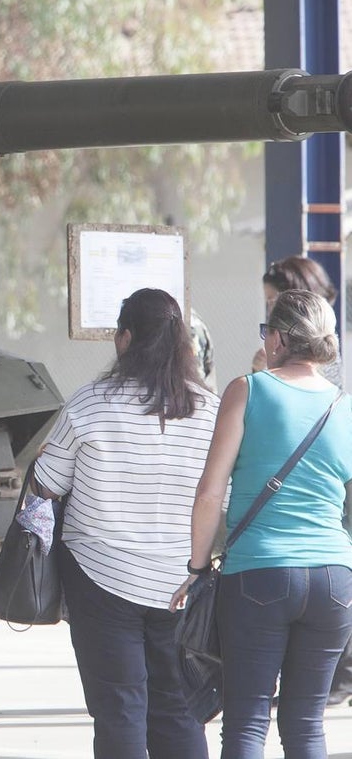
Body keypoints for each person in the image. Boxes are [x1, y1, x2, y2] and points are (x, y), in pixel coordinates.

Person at [32, 289, 218, 759]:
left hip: (101, 578)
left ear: (126, 339)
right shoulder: (210, 411)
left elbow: (46, 484)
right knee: (178, 707)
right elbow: (222, 495)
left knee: (119, 707)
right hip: (181, 580)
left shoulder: (91, 404)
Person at [171, 289, 352, 758]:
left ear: (277, 339)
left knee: (248, 721)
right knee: (307, 726)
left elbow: (211, 492)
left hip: (260, 574)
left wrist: (196, 568)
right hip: (335, 580)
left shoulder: (248, 390)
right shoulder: (344, 406)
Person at [252, 255, 352, 705]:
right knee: (305, 721)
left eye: (273, 305)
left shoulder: (258, 387)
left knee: (248, 715)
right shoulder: (336, 392)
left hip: (268, 562)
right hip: (331, 562)